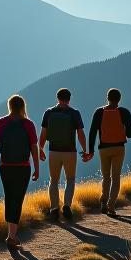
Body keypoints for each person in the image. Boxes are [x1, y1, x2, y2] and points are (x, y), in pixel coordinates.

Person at [0, 94, 40, 249]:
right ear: (23, 107)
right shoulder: (28, 124)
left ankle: (11, 233)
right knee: (17, 199)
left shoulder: (1, 123)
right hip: (23, 167)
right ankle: (12, 235)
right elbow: (34, 149)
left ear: (9, 106)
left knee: (9, 197)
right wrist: (36, 168)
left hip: (6, 167)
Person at [38, 88, 89, 220]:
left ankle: (54, 208)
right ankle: (67, 206)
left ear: (57, 98)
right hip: (70, 152)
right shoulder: (74, 113)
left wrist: (40, 149)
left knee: (53, 180)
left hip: (53, 151)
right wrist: (84, 149)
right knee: (70, 179)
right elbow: (81, 134)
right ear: (69, 98)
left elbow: (43, 133)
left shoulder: (49, 113)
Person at [87, 88, 131, 215]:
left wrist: (91, 150)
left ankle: (103, 199)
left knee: (106, 177)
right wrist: (122, 131)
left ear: (107, 98)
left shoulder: (99, 112)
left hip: (103, 149)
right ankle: (111, 205)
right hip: (119, 148)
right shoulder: (123, 112)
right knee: (116, 177)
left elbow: (92, 132)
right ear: (119, 99)